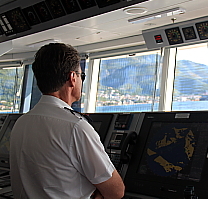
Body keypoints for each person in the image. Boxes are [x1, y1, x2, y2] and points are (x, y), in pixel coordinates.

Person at [10, 43, 125, 199]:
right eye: (81, 76)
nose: (81, 81)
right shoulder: (76, 127)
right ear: (72, 78)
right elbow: (116, 191)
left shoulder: (21, 123)